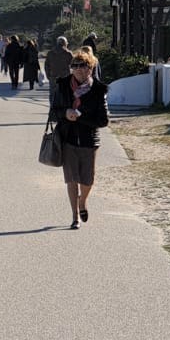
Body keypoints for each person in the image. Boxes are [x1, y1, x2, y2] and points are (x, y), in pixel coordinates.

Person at [51, 48, 110, 230]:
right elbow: (53, 112)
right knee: (71, 180)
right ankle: (75, 216)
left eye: (82, 66)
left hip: (89, 141)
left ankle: (82, 201)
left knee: (87, 180)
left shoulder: (99, 90)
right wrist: (66, 113)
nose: (78, 69)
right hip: (67, 139)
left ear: (90, 68)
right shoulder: (62, 86)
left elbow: (103, 120)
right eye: (74, 66)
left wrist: (80, 116)